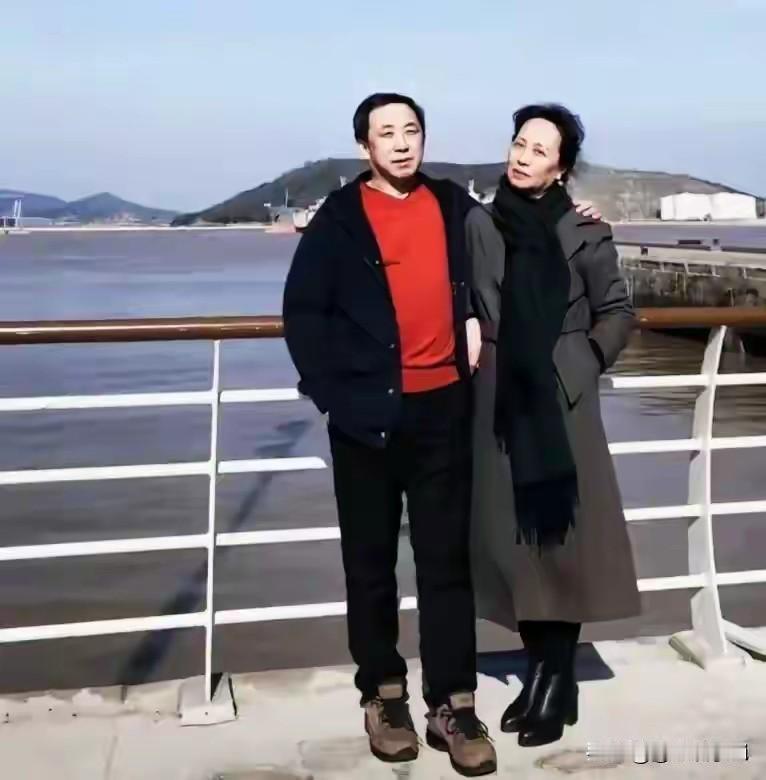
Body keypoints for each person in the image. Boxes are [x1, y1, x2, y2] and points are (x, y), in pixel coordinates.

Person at [282, 93, 497, 777]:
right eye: (387, 133)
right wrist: (332, 396)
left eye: (411, 130)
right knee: (370, 564)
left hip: (444, 410)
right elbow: (303, 313)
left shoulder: (454, 204)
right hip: (366, 418)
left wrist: (576, 213)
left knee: (446, 563)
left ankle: (453, 704)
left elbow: (512, 248)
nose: (402, 143)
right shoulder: (339, 218)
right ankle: (383, 695)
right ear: (364, 146)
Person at [466, 103, 641, 748]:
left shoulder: (585, 231)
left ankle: (552, 678)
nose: (522, 156)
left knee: (562, 541)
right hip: (501, 400)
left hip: (563, 403)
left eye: (539, 150)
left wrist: (582, 363)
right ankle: (547, 676)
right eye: (519, 143)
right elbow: (461, 292)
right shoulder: (479, 224)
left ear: (561, 168)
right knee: (515, 544)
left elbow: (617, 311)